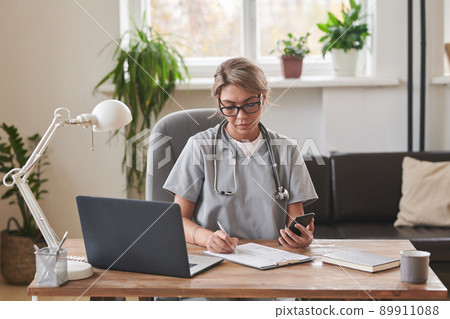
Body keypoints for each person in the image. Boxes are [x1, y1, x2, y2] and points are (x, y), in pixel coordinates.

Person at [163, 57, 317, 254]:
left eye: (250, 104)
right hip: (215, 259)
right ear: (218, 102)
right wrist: (207, 238)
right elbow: (178, 219)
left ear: (264, 98)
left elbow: (296, 224)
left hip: (273, 260)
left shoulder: (287, 150)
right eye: (229, 106)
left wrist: (301, 238)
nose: (241, 116)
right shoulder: (199, 147)